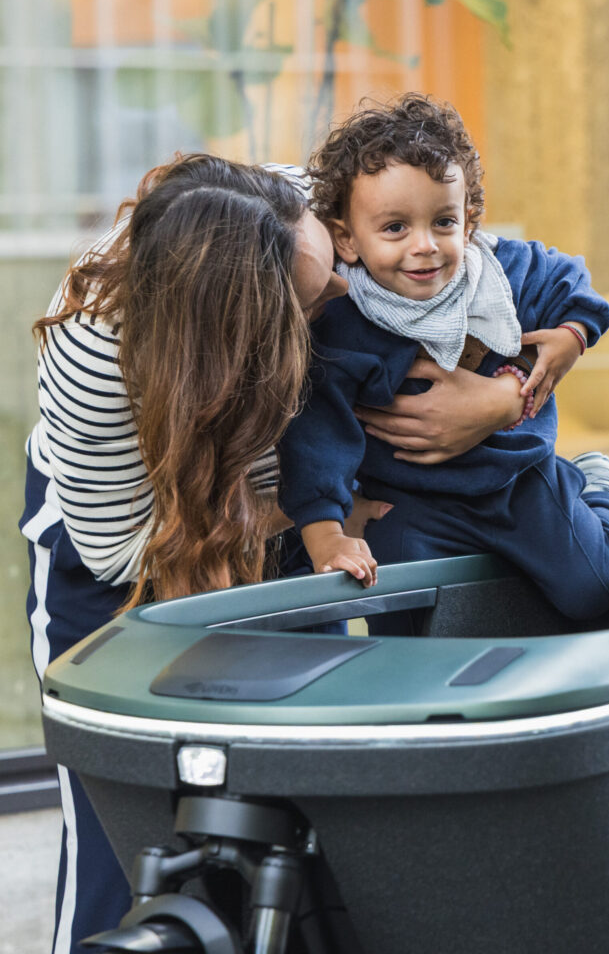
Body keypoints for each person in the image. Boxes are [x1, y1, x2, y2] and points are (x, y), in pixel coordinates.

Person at [19, 151, 550, 954]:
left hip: (311, 515)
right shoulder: (98, 351)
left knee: (313, 795)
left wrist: (505, 396)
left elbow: (479, 259)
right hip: (142, 535)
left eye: (336, 259)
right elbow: (118, 551)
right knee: (126, 834)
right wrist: (305, 509)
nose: (348, 289)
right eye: (317, 298)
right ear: (239, 340)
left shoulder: (315, 201)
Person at [278, 94, 609, 619]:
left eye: (443, 222)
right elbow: (317, 434)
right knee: (402, 612)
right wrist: (326, 534)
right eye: (395, 228)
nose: (425, 245)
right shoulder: (344, 317)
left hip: (516, 482)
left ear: (469, 224)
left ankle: (604, 492)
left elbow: (569, 280)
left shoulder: (498, 274)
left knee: (592, 589)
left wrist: (572, 333)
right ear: (346, 238)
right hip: (409, 498)